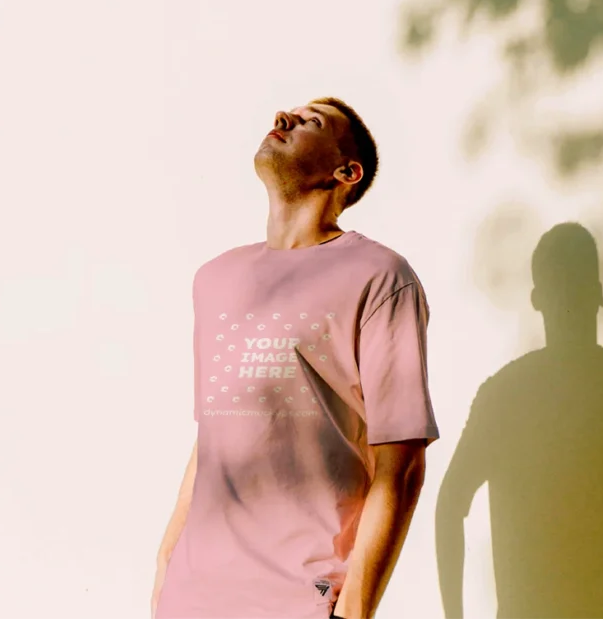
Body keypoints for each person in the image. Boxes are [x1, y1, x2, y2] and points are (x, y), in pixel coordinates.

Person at [151, 96, 439, 619]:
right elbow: (213, 438)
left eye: (311, 123)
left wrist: (355, 610)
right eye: (286, 114)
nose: (282, 120)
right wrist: (166, 564)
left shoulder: (380, 277)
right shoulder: (215, 279)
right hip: (191, 599)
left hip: (299, 599)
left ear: (345, 172)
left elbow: (402, 465)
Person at [436, 222, 603, 619]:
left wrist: (454, 615)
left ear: (537, 299)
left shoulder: (504, 396)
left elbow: (450, 504)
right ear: (600, 294)